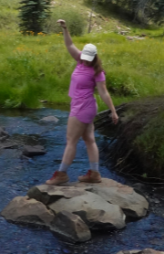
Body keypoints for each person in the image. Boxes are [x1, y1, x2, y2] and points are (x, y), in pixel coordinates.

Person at [50, 22, 120, 185]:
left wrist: (113, 111)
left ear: (94, 57)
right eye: (85, 58)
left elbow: (103, 92)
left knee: (71, 140)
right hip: (80, 105)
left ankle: (61, 174)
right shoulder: (80, 59)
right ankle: (94, 173)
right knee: (89, 139)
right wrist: (65, 29)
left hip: (83, 107)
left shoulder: (98, 71)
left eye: (89, 59)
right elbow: (69, 44)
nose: (86, 61)